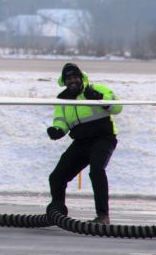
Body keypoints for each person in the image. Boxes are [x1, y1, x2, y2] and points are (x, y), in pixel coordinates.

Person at [46, 63, 122, 225]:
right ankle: (57, 211)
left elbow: (118, 107)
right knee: (57, 177)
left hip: (103, 138)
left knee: (96, 170)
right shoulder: (62, 99)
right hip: (81, 141)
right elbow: (61, 120)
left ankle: (103, 216)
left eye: (75, 77)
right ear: (64, 81)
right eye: (68, 78)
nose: (72, 81)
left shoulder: (97, 89)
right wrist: (57, 130)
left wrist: (100, 99)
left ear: (81, 78)